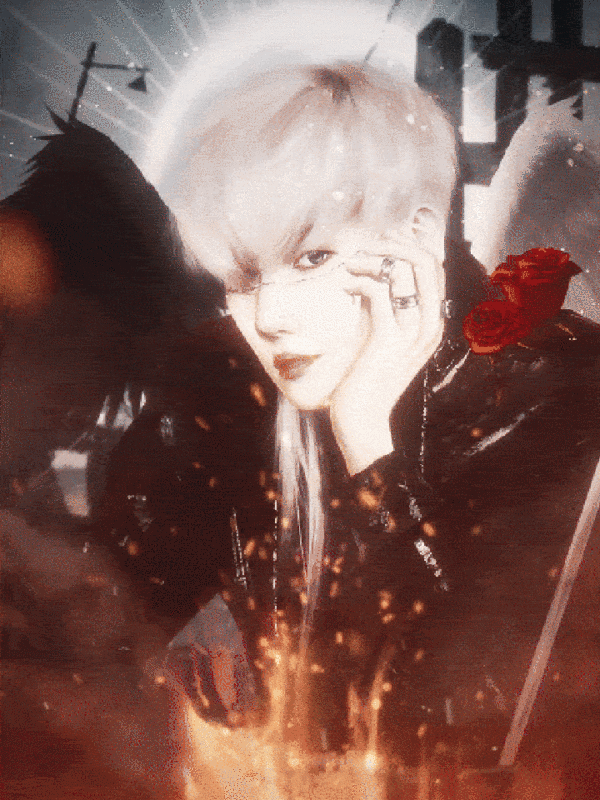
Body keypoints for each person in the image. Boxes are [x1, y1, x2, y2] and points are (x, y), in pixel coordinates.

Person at [95, 62, 600, 794]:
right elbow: (108, 589)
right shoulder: (217, 375)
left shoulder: (560, 388)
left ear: (416, 237)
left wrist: (369, 441)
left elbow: (487, 718)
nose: (271, 317)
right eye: (244, 276)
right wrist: (185, 621)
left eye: (314, 257)